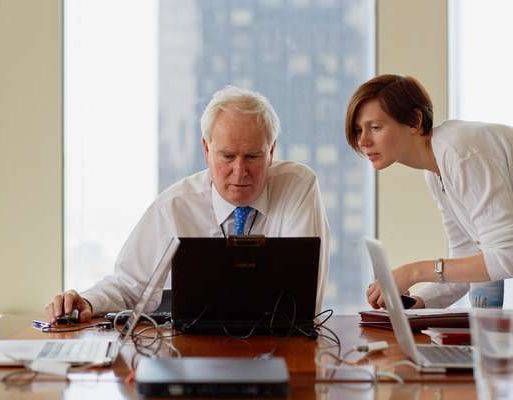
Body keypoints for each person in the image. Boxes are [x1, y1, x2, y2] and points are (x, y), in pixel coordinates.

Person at [45, 85, 330, 323]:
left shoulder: (297, 186)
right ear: (206, 150)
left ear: (272, 150)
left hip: (284, 348)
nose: (240, 171)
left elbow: (303, 299)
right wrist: (87, 301)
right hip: (195, 351)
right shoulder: (176, 204)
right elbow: (130, 286)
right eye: (227, 156)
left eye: (253, 157)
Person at [345, 74, 513, 309]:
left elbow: (507, 257)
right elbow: (464, 266)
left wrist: (413, 272)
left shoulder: (460, 153)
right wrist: (418, 304)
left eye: (375, 127)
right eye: (358, 130)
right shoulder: (436, 172)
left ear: (415, 120)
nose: (363, 141)